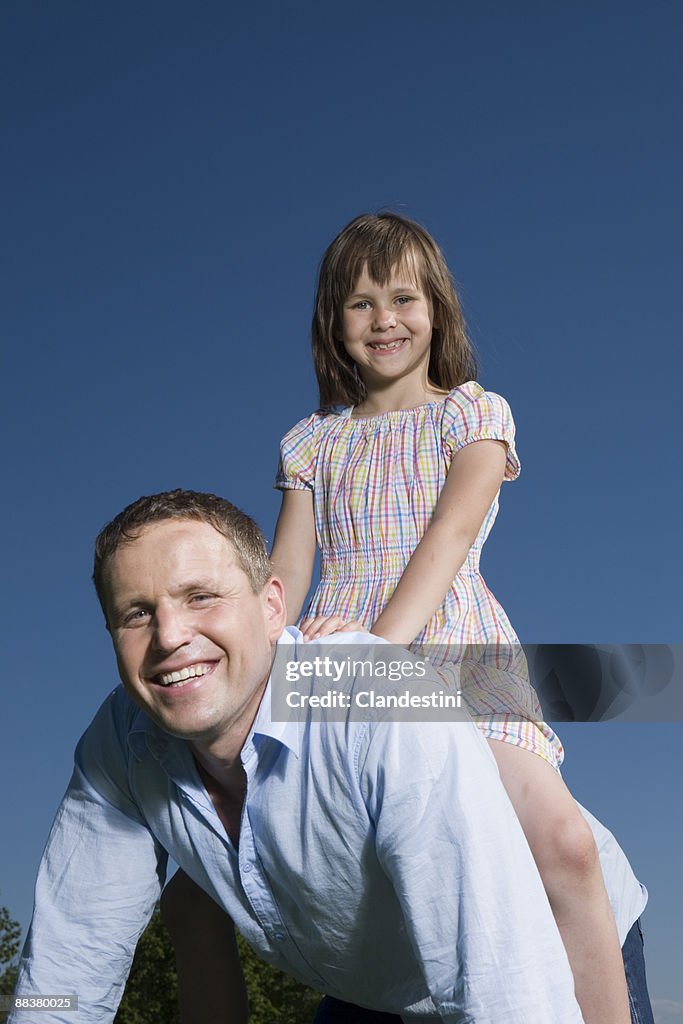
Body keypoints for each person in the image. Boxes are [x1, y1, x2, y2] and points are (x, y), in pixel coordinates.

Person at [165, 213, 643, 1023]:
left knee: (559, 842)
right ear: (332, 322)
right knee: (193, 889)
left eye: (401, 298)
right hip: (332, 657)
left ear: (437, 310)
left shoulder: (472, 415)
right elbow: (285, 571)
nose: (383, 319)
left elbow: (450, 536)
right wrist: (265, 657)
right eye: (359, 303)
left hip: (451, 652)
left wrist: (377, 652)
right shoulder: (311, 443)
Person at [10, 490, 652, 1024]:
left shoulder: (378, 702)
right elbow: (65, 968)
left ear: (271, 609)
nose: (171, 637)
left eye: (201, 597)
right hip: (365, 977)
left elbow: (501, 982)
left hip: (544, 946)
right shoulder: (118, 746)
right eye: (137, 613)